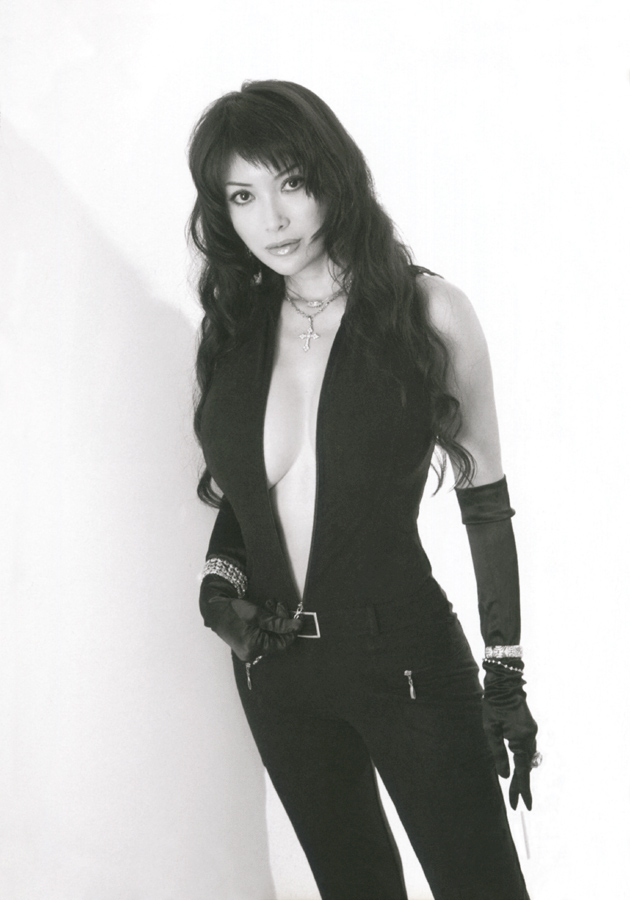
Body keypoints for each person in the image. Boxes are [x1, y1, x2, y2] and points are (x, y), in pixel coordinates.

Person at [187, 79, 540, 900]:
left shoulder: (429, 311)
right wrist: (217, 588)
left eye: (291, 183)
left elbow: (485, 501)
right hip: (276, 673)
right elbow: (243, 503)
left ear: (333, 177)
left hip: (405, 659)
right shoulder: (233, 330)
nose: (273, 219)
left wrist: (505, 673)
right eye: (243, 195)